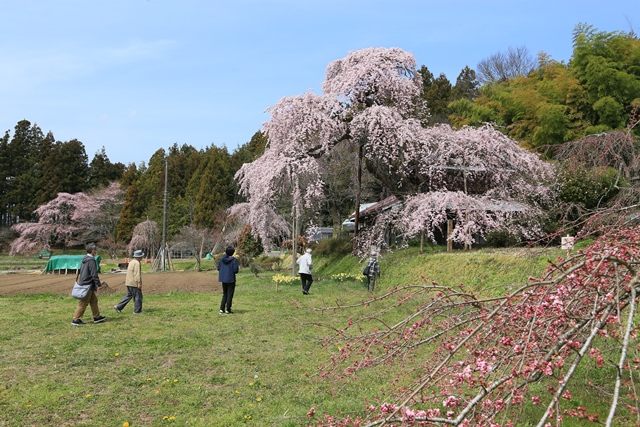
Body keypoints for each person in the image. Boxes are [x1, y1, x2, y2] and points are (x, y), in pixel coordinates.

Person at [71, 242, 106, 326]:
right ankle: (75, 319)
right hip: (88, 284)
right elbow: (94, 274)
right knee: (83, 303)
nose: (96, 252)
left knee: (94, 301)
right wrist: (99, 284)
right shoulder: (91, 260)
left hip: (84, 283)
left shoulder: (85, 259)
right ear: (92, 250)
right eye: (95, 250)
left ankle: (96, 317)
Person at [114, 249, 144, 314]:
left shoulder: (131, 262)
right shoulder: (137, 263)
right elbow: (137, 274)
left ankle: (118, 307)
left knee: (129, 295)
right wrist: (139, 283)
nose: (142, 257)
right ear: (139, 257)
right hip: (134, 283)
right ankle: (137, 311)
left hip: (128, 282)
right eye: (141, 256)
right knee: (138, 296)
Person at [217, 246, 239, 314]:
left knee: (225, 294)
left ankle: (221, 309)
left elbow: (218, 268)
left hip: (223, 279)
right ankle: (228, 309)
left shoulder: (221, 259)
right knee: (230, 295)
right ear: (232, 253)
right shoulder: (234, 260)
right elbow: (235, 270)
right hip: (231, 279)